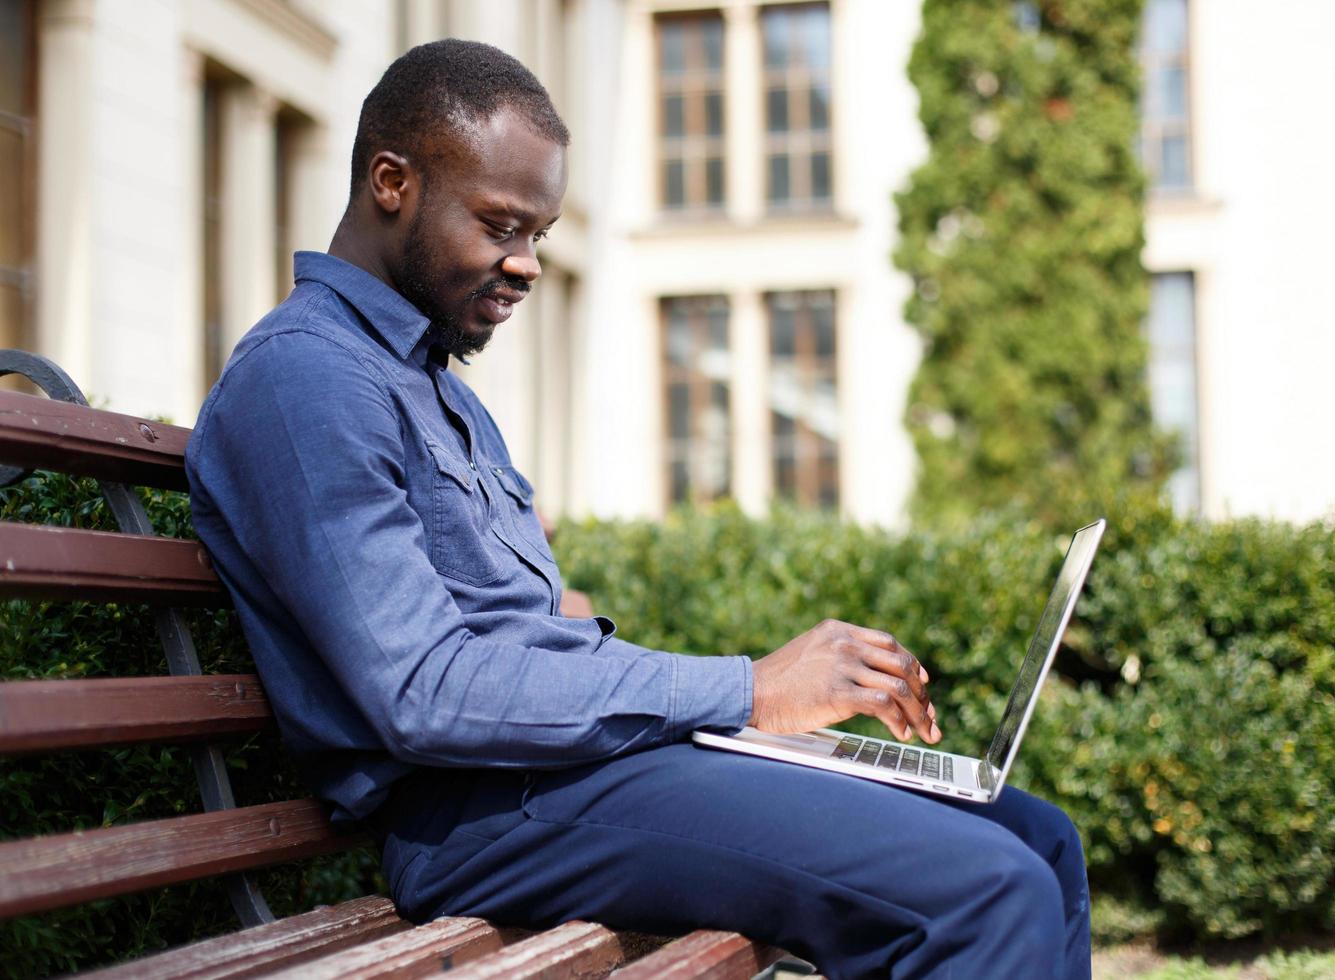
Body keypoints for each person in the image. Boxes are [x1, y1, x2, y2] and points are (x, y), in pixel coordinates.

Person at [185, 39, 1091, 979]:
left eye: (539, 233)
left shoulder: (435, 389)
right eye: (502, 225)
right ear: (391, 182)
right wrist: (747, 692)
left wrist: (728, 717)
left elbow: (516, 639)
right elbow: (422, 692)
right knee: (992, 889)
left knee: (1038, 840)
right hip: (483, 816)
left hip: (564, 779)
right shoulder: (307, 379)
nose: (527, 263)